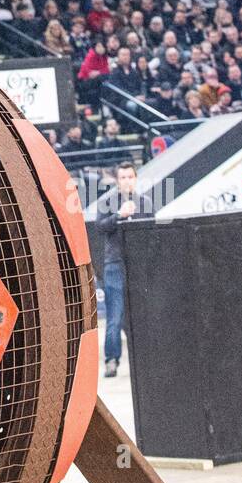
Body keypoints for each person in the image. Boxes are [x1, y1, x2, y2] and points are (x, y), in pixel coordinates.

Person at [96, 161, 155, 376]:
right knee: (115, 315)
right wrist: (118, 215)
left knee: (144, 313)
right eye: (123, 178)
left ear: (136, 178)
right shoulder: (107, 201)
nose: (127, 181)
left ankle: (148, 358)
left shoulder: (145, 202)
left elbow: (151, 231)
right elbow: (100, 227)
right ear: (117, 180)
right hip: (115, 264)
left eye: (130, 177)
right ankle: (112, 360)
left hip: (138, 264)